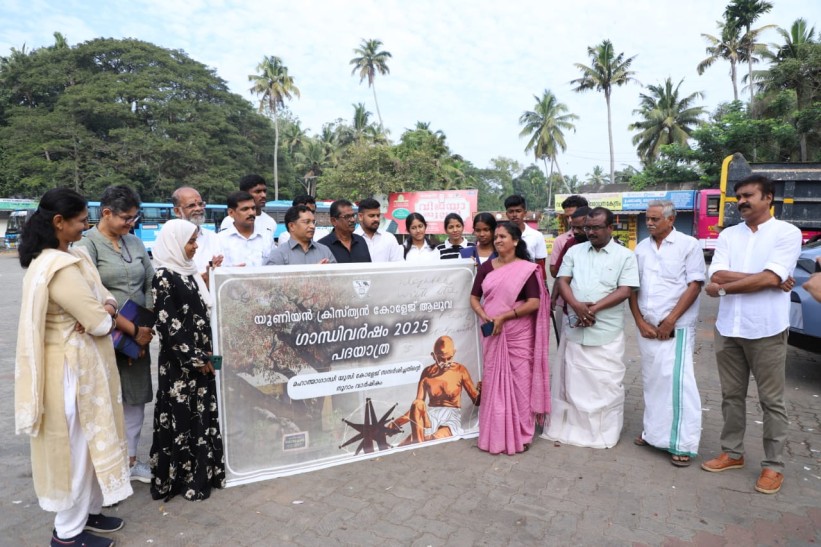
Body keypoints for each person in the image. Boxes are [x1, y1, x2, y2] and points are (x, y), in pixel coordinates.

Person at [16, 188, 132, 547]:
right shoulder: (58, 267)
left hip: (85, 367)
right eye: (82, 221)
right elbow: (98, 322)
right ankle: (67, 534)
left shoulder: (73, 256)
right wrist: (104, 313)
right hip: (70, 373)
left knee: (92, 443)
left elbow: (104, 299)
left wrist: (106, 309)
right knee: (77, 451)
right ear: (59, 223)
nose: (88, 226)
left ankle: (89, 512)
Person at [701, 174, 802, 495]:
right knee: (731, 396)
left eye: (748, 196)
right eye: (738, 197)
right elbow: (715, 273)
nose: (741, 202)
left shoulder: (787, 233)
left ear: (768, 197)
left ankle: (774, 466)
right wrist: (767, 278)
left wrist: (724, 288)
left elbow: (769, 277)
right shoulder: (729, 235)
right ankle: (732, 453)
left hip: (767, 329)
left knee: (771, 401)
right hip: (729, 328)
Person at [543, 207, 639, 449]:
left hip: (606, 331)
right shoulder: (575, 251)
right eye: (588, 227)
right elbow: (562, 280)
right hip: (575, 326)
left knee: (604, 384)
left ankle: (602, 434)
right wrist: (576, 306)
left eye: (596, 227)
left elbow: (626, 290)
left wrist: (592, 310)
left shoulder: (625, 256)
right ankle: (573, 430)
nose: (591, 232)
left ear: (610, 227)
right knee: (573, 381)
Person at [78, 185, 155, 484]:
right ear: (106, 213)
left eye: (134, 218)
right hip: (104, 337)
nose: (130, 224)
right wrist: (132, 329)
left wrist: (146, 326)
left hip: (140, 337)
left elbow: (150, 279)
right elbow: (92, 294)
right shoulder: (87, 246)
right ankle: (105, 467)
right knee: (105, 402)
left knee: (135, 399)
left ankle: (131, 460)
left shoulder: (134, 243)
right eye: (125, 217)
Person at [150, 219, 226, 502]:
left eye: (195, 241)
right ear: (174, 242)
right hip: (181, 365)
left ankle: (203, 473)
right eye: (191, 242)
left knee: (202, 414)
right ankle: (180, 480)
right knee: (181, 418)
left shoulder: (189, 272)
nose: (195, 247)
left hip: (203, 359)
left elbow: (202, 314)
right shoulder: (163, 276)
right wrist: (197, 358)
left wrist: (209, 357)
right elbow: (168, 326)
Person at [629, 200, 705, 467]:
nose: (649, 224)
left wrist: (670, 321)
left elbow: (695, 285)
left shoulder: (688, 245)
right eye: (647, 219)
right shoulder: (641, 248)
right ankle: (653, 434)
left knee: (678, 384)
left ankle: (682, 443)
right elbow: (632, 289)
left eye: (654, 219)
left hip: (676, 328)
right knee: (652, 381)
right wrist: (639, 321)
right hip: (647, 329)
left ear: (670, 220)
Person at [470, 222, 551, 455]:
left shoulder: (526, 269)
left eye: (502, 236)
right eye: (495, 237)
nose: (497, 240)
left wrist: (505, 316)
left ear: (515, 241)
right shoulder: (486, 267)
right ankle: (495, 432)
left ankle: (523, 433)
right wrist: (484, 315)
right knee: (495, 382)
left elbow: (534, 303)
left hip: (518, 333)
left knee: (520, 383)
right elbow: (474, 297)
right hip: (493, 332)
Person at [388, 336, 480, 445]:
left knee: (434, 438)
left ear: (454, 353)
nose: (446, 363)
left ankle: (420, 443)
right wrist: (396, 423)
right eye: (441, 359)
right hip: (430, 416)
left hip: (451, 416)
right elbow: (417, 408)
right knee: (401, 445)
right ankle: (420, 443)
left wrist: (482, 390)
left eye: (449, 358)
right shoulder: (427, 373)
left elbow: (476, 400)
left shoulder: (460, 370)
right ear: (433, 356)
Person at [171, 186, 223, 284]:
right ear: (177, 211)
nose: (198, 208)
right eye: (191, 206)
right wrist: (203, 277)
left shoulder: (213, 237)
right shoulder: (170, 239)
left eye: (200, 204)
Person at [550, 207, 590, 329]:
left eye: (580, 228)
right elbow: (560, 275)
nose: (575, 232)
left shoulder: (612, 248)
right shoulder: (570, 244)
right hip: (571, 306)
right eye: (573, 228)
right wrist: (553, 298)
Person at [218, 191, 275, 267]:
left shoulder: (267, 236)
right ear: (231, 213)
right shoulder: (220, 239)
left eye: (253, 208)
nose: (251, 213)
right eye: (245, 209)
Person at [266, 205, 337, 265]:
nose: (312, 226)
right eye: (307, 222)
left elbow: (336, 278)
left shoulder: (324, 251)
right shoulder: (278, 255)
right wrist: (315, 272)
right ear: (292, 226)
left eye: (313, 222)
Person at [504, 194, 548, 280]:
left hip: (530, 280)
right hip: (506, 280)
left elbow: (540, 264)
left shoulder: (536, 235)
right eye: (511, 211)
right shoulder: (500, 236)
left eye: (518, 211)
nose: (514, 214)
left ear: (525, 212)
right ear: (506, 214)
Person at [318, 199, 371, 263]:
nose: (352, 220)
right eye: (347, 217)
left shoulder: (361, 241)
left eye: (353, 215)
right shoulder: (323, 245)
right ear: (334, 221)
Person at [549, 195, 589, 278]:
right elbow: (554, 272)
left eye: (573, 215)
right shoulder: (561, 240)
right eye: (567, 217)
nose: (570, 220)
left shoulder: (598, 239)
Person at [354, 197, 403, 262]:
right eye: (372, 216)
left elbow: (398, 265)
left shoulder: (389, 238)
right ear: (360, 216)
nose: (376, 219)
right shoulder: (352, 239)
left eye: (378, 215)